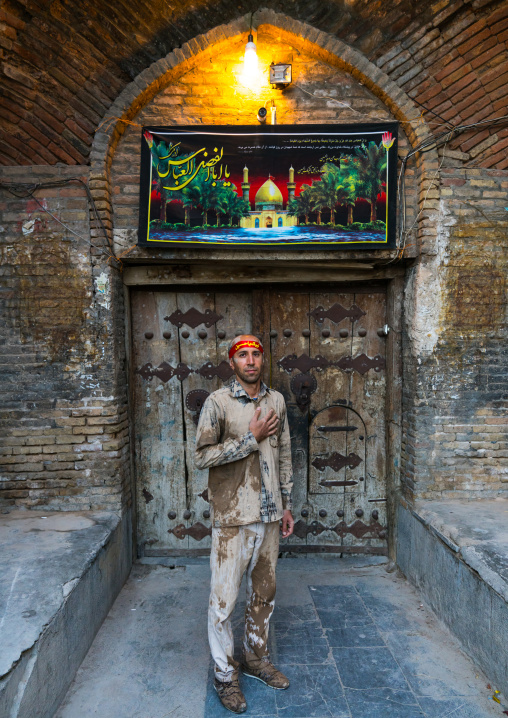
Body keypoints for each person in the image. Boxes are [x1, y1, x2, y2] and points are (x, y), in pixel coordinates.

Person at [194, 334, 294, 714]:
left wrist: (286, 504)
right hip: (233, 517)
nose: (251, 361)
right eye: (243, 356)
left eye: (255, 355)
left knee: (264, 594)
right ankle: (224, 675)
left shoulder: (277, 401)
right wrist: (249, 439)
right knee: (223, 602)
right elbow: (202, 457)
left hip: (269, 515)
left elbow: (283, 452)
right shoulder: (218, 403)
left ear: (262, 359)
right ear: (232, 362)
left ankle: (255, 659)